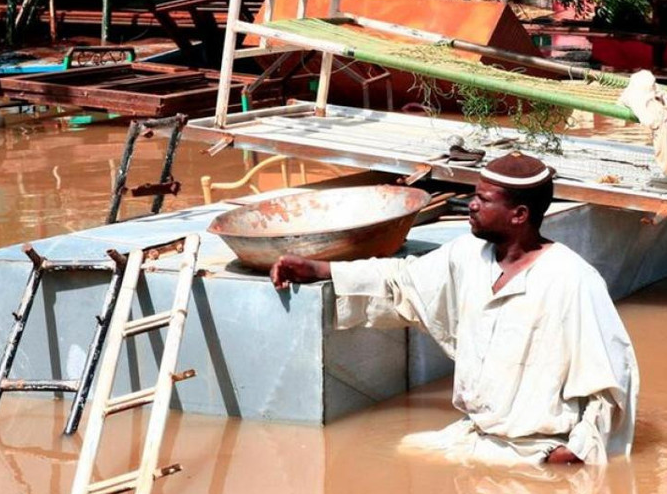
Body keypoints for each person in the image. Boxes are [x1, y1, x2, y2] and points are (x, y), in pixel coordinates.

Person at [271, 152, 639, 466]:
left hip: (539, 453)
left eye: (484, 199)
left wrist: (576, 452)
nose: (472, 205)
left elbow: (611, 380)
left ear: (519, 214)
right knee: (391, 454)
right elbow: (402, 281)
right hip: (474, 437)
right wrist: (321, 270)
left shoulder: (571, 278)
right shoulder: (467, 256)